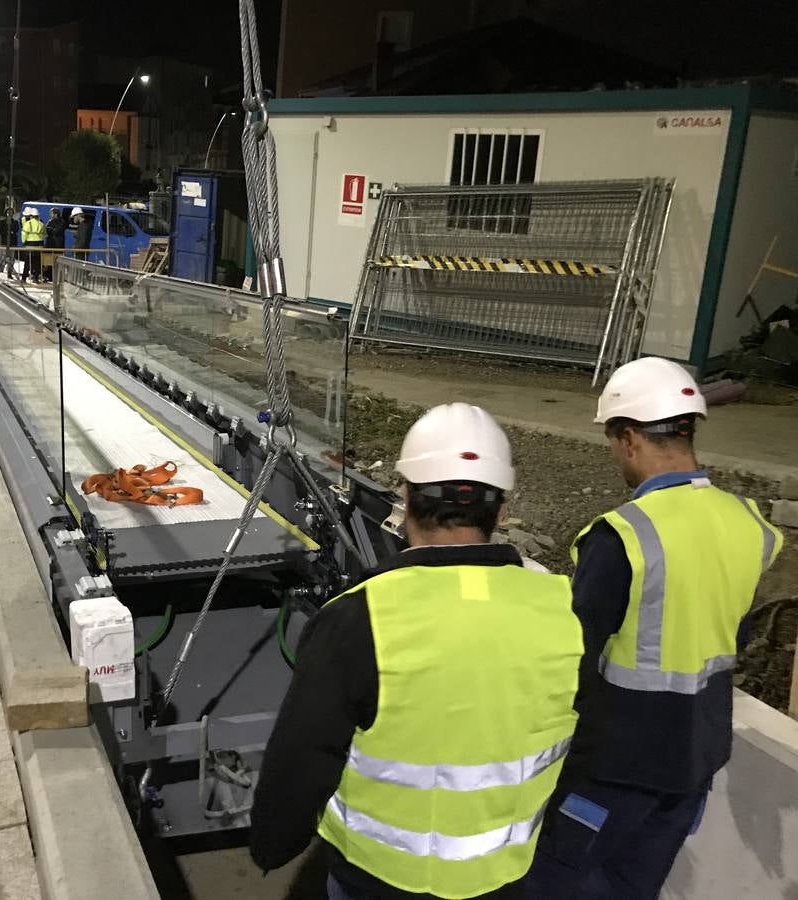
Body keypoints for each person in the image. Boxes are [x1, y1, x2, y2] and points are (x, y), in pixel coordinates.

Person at [251, 403, 584, 900]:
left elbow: (303, 754)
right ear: (502, 508)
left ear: (405, 498)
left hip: (377, 878)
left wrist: (273, 844)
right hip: (505, 876)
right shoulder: (562, 609)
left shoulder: (358, 617)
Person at [527, 357, 783, 899]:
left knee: (553, 884)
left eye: (612, 440)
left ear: (630, 438)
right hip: (695, 759)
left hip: (617, 763)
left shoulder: (623, 535)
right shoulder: (748, 522)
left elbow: (574, 653)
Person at [20, 206, 45, 283]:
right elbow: (44, 234)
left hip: (29, 244)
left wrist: (24, 241)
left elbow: (23, 234)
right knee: (37, 262)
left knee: (27, 262)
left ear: (31, 216)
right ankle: (36, 278)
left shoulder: (28, 223)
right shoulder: (41, 224)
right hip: (39, 245)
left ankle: (24, 278)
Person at [43, 207, 66, 282]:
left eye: (52, 213)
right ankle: (48, 276)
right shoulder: (50, 221)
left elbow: (56, 231)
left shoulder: (61, 222)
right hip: (49, 244)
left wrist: (51, 229)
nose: (50, 215)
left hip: (57, 244)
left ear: (56, 214)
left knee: (57, 262)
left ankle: (56, 278)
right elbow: (46, 229)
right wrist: (50, 229)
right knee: (49, 261)